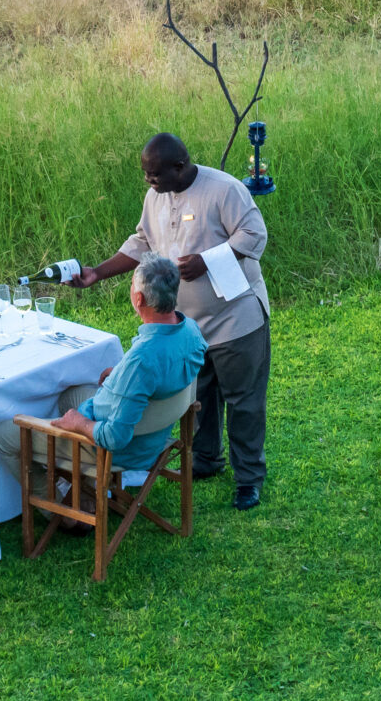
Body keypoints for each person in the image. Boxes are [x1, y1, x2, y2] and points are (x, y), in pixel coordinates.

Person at [66, 133, 272, 508]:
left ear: (180, 166)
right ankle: (207, 459)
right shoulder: (156, 197)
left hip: (234, 319)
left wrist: (206, 260)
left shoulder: (224, 190)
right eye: (146, 174)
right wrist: (98, 272)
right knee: (201, 392)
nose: (149, 181)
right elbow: (142, 241)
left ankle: (249, 479)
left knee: (243, 400)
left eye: (155, 175)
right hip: (187, 325)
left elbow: (255, 234)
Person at [0, 253, 208, 507]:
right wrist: (121, 372)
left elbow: (114, 437)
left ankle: (62, 512)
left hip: (122, 449)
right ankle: (86, 493)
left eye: (132, 285)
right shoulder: (190, 330)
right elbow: (162, 371)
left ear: (138, 298)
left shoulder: (142, 361)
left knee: (3, 436)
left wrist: (79, 422)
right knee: (70, 395)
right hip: (156, 433)